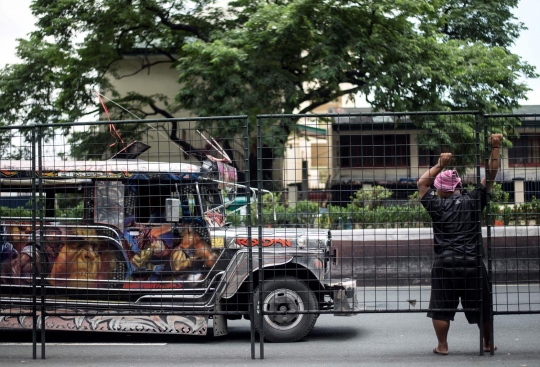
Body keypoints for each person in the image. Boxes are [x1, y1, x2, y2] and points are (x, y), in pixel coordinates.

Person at [417, 133, 503, 356]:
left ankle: (442, 346)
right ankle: (486, 343)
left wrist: (439, 164)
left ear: (443, 190)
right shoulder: (473, 200)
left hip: (446, 263)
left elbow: (421, 183)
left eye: (438, 188)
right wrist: (495, 148)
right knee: (482, 305)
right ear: (457, 187)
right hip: (472, 263)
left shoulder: (437, 205)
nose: (435, 191)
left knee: (441, 308)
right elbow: (491, 176)